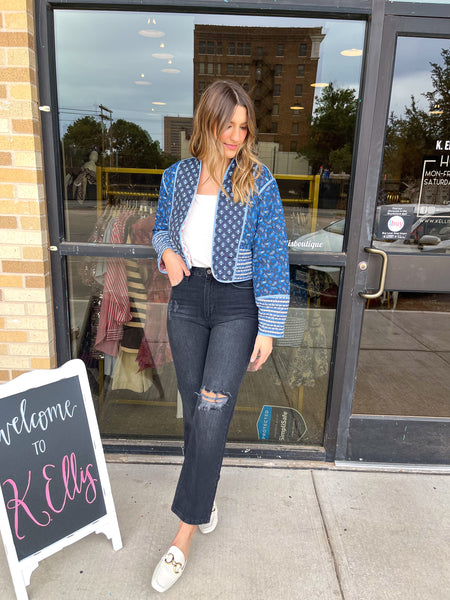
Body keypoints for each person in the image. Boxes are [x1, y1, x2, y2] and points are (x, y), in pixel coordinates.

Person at [151, 79, 289, 593]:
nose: (235, 136)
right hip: (187, 302)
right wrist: (167, 253)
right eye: (227, 125)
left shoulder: (258, 181)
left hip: (236, 306)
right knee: (195, 412)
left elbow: (274, 254)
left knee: (212, 411)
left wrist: (269, 326)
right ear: (207, 122)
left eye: (243, 127)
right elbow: (161, 229)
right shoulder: (177, 177)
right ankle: (205, 499)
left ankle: (182, 535)